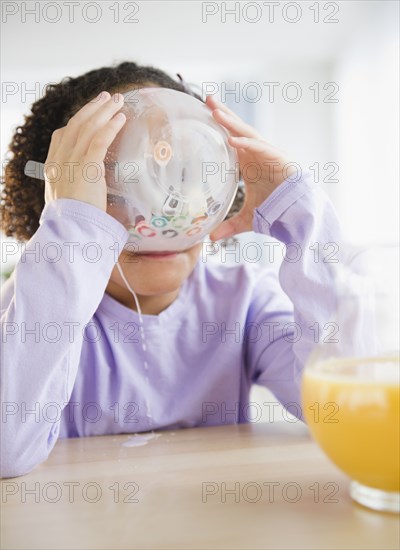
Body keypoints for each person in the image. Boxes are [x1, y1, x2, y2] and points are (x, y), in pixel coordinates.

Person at [0, 61, 341, 478]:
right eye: (111, 182)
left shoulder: (244, 299)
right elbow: (6, 448)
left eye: (184, 172)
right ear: (60, 200)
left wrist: (302, 217)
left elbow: (340, 413)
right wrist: (71, 233)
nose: (157, 211)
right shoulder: (28, 308)